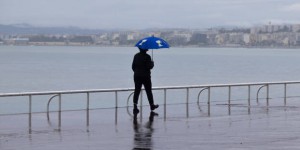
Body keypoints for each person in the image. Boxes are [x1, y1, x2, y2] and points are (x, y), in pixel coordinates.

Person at [132, 48, 159, 114]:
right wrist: (152, 64)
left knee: (137, 91)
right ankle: (152, 105)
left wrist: (137, 71)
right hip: (145, 77)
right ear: (145, 49)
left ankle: (135, 107)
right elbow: (149, 67)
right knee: (149, 91)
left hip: (137, 76)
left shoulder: (136, 56)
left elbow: (133, 66)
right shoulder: (148, 57)